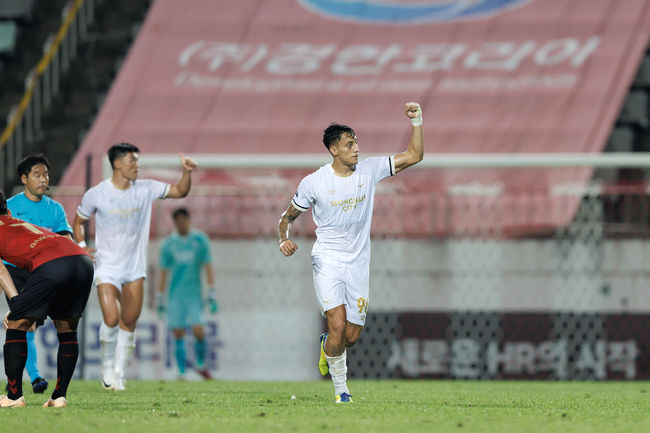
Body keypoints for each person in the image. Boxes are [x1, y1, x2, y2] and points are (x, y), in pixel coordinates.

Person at [277, 103, 424, 403]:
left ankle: (326, 347)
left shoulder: (369, 171)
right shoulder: (315, 182)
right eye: (349, 144)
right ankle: (341, 392)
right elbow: (287, 217)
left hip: (358, 263)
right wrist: (283, 239)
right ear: (333, 150)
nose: (356, 148)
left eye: (356, 142)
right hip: (327, 260)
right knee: (337, 323)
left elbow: (414, 155)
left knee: (350, 337)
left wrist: (417, 121)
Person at [72, 143, 197, 391]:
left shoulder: (146, 188)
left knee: (129, 322)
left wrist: (187, 173)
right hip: (107, 265)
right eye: (132, 161)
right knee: (110, 317)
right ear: (117, 164)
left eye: (137, 161)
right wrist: (82, 245)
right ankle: (107, 366)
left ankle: (119, 372)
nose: (136, 165)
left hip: (134, 268)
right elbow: (79, 221)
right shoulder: (97, 193)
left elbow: (180, 192)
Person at [0, 191, 93, 408]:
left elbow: (2, 271)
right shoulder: (17, 222)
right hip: (81, 260)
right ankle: (59, 397)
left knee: (15, 324)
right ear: (9, 211)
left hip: (53, 264)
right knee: (66, 328)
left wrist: (16, 305)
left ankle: (13, 397)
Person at [3, 154, 74, 395]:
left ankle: (17, 379)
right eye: (37, 174)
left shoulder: (55, 208)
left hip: (45, 271)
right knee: (25, 324)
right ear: (24, 179)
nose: (44, 179)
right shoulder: (10, 206)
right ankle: (34, 377)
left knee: (50, 324)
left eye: (46, 175)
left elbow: (66, 237)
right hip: (17, 272)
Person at [157, 207, 217, 380]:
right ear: (174, 222)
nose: (182, 223)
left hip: (194, 295)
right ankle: (181, 372)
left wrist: (212, 291)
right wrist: (160, 297)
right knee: (178, 332)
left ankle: (200, 364)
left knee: (199, 330)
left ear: (189, 220)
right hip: (175, 295)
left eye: (184, 219)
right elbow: (163, 272)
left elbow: (208, 266)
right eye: (178, 220)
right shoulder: (168, 245)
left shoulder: (200, 240)